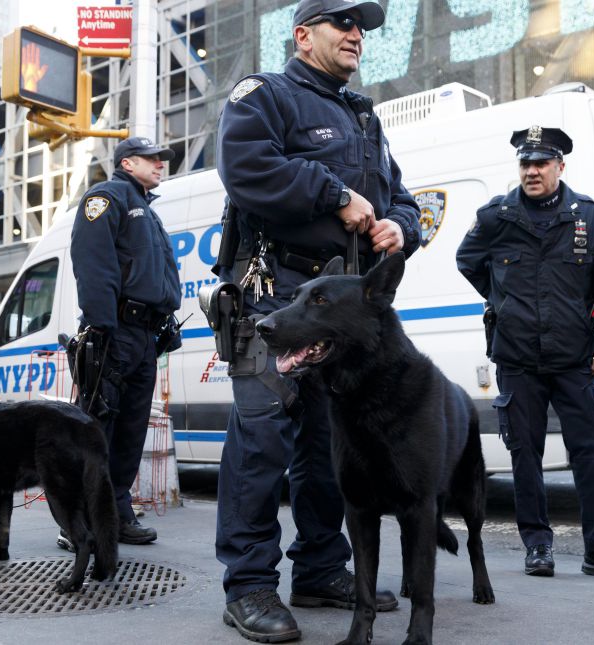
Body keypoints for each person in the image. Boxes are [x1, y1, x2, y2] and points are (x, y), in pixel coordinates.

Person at [214, 0, 420, 640]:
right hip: (277, 292)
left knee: (331, 442)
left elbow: (404, 199)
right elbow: (247, 169)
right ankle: (248, 585)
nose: (358, 35)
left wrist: (399, 227)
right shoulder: (265, 94)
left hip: (342, 308)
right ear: (303, 36)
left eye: (363, 27)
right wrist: (335, 194)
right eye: (344, 23)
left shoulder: (363, 116)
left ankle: (321, 567)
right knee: (263, 435)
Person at [456, 126, 594, 583]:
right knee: (526, 453)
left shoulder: (589, 217)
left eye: (541, 163)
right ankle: (537, 546)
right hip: (518, 358)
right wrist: (501, 298)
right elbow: (468, 261)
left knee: (592, 450)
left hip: (574, 357)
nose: (532, 171)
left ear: (560, 167)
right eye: (526, 163)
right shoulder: (495, 217)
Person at [66, 136, 182, 548]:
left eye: (161, 160)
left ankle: (115, 511)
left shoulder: (147, 211)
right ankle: (79, 521)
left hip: (143, 335)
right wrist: (101, 328)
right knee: (99, 429)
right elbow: (93, 264)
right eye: (152, 159)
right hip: (114, 331)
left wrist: (165, 319)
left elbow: (157, 275)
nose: (160, 165)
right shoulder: (106, 197)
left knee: (131, 430)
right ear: (128, 163)